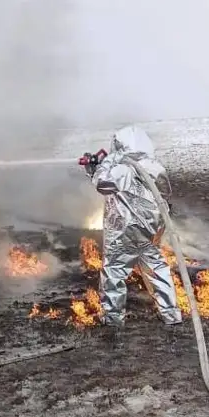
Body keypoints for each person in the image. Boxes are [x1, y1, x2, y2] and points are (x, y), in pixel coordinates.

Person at [83, 125, 183, 326]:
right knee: (157, 269)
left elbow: (102, 184)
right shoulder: (155, 166)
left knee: (114, 271)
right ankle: (171, 314)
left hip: (125, 231)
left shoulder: (122, 168)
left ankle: (112, 317)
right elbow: (164, 193)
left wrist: (102, 164)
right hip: (152, 230)